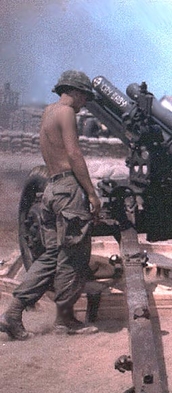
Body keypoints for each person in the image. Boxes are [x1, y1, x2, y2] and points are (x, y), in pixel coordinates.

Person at [0, 70, 101, 339]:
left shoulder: (48, 112)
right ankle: (65, 321)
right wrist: (91, 193)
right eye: (85, 97)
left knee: (51, 256)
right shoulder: (67, 113)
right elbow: (74, 153)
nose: (84, 104)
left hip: (51, 188)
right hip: (69, 189)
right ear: (75, 91)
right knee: (73, 257)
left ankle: (12, 313)